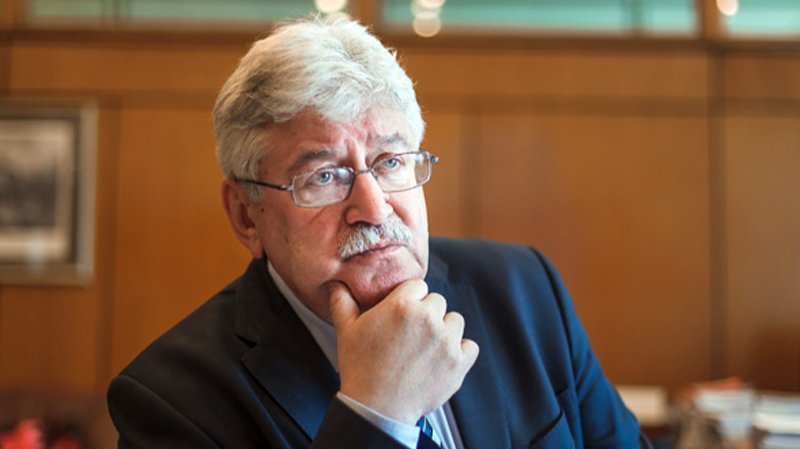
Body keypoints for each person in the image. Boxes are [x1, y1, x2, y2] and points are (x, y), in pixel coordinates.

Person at [107, 15, 649, 449]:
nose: (372, 207)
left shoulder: (525, 291)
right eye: (324, 176)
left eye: (390, 162)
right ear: (247, 216)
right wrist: (376, 415)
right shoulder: (170, 401)